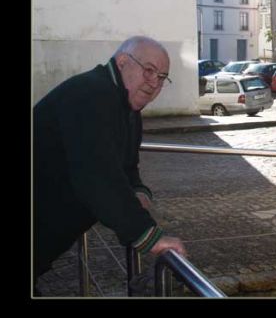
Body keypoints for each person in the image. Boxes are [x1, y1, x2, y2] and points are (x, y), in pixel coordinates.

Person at [33, 36, 188, 295]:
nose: (154, 82)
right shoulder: (91, 94)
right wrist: (148, 237)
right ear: (123, 62)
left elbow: (126, 166)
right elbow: (96, 175)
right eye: (149, 70)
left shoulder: (126, 107)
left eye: (162, 77)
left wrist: (137, 190)